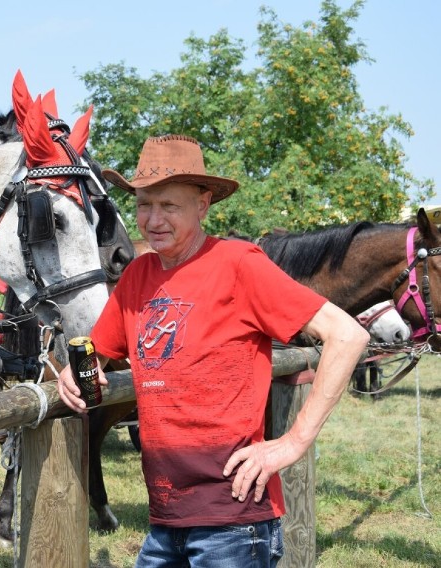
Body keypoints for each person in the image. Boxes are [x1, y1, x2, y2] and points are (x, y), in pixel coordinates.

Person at [57, 134, 369, 567]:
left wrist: (293, 442)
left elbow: (348, 335)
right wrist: (76, 372)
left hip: (234, 521)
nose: (153, 219)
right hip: (165, 520)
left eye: (170, 206)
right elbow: (98, 349)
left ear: (203, 205)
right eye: (145, 204)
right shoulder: (137, 275)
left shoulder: (239, 263)